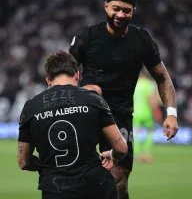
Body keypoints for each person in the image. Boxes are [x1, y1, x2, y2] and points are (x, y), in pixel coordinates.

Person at [69, 0, 179, 198]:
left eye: (126, 11)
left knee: (119, 177)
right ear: (106, 7)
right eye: (116, 9)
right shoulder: (87, 36)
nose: (120, 14)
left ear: (133, 11)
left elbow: (162, 77)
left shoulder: (141, 40)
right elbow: (66, 76)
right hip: (85, 112)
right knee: (77, 176)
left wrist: (171, 114)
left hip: (120, 114)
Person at [17, 50, 128, 199]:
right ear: (77, 75)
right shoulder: (93, 99)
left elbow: (23, 162)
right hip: (95, 186)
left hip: (54, 189)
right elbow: (121, 148)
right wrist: (112, 155)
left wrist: (44, 166)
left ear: (48, 80)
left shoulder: (31, 107)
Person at [133, 70, 162, 163]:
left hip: (134, 112)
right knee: (150, 131)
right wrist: (156, 111)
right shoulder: (149, 84)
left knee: (135, 133)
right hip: (146, 112)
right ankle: (146, 153)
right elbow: (151, 99)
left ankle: (136, 154)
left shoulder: (134, 83)